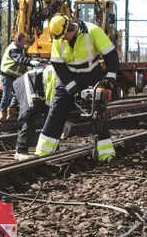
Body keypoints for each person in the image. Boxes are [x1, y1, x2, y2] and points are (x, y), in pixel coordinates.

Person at [34, 15, 119, 162]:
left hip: (91, 75)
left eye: (64, 36)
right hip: (68, 76)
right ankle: (42, 153)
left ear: (71, 27)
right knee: (56, 111)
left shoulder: (93, 31)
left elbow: (111, 55)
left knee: (96, 113)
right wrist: (72, 89)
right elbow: (58, 65)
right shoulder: (58, 38)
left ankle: (106, 154)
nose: (63, 39)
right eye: (59, 38)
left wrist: (110, 78)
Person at [12, 65, 58, 160]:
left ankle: (52, 149)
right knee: (32, 115)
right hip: (29, 82)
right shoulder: (57, 76)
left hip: (39, 87)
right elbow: (51, 101)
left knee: (51, 118)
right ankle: (20, 150)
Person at [0, 33, 41, 124]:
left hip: (16, 76)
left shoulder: (20, 48)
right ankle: (2, 115)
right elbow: (20, 59)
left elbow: (24, 58)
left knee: (17, 95)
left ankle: (11, 115)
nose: (24, 44)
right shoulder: (13, 49)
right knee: (7, 95)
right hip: (7, 74)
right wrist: (31, 62)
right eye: (23, 42)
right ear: (17, 41)